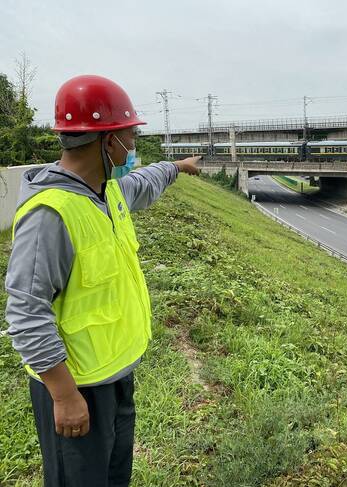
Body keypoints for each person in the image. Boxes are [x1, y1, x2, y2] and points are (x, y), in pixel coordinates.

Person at [4, 74, 200, 486]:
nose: (132, 148)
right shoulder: (50, 215)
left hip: (113, 376)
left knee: (113, 477)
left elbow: (146, 182)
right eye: (129, 137)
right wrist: (63, 394)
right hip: (76, 387)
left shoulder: (106, 192)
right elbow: (25, 310)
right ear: (106, 141)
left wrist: (178, 167)